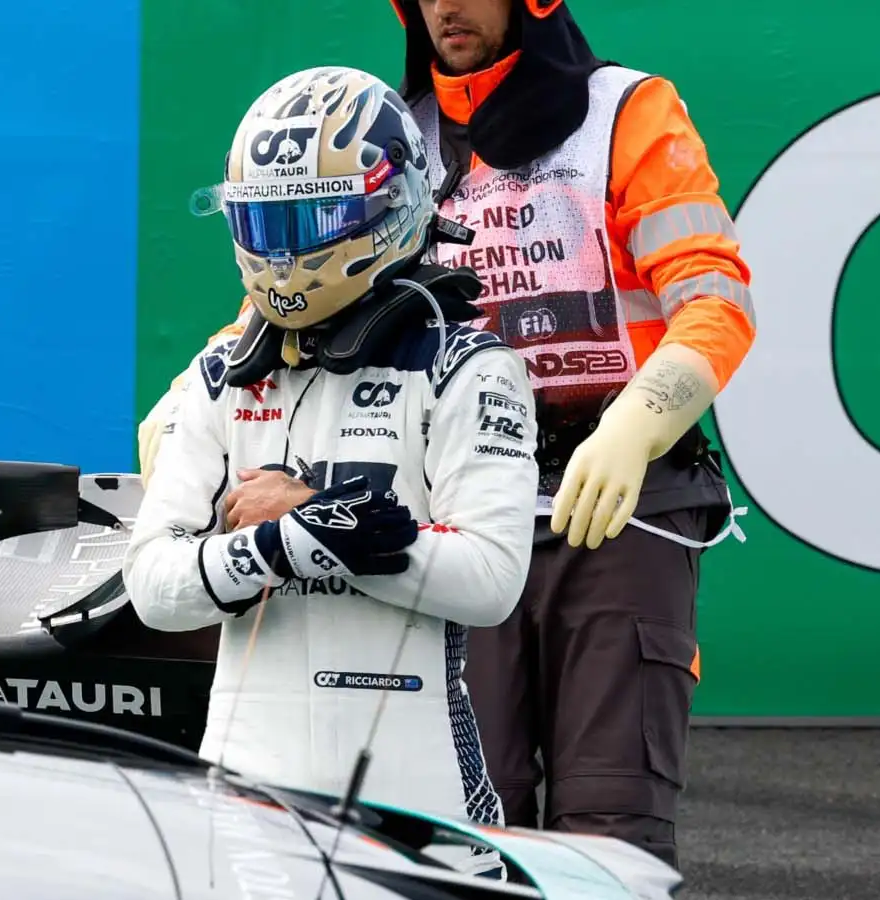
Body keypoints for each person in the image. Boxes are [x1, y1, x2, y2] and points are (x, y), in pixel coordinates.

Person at [141, 0, 758, 871]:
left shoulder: (628, 110)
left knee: (612, 821)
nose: (445, 6)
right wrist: (184, 401)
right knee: (470, 817)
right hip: (447, 492)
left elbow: (715, 298)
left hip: (622, 494)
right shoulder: (388, 131)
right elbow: (295, 289)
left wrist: (638, 423)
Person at [122, 64, 540, 874]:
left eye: (309, 219)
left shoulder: (470, 367)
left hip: (420, 816)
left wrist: (309, 513)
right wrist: (295, 543)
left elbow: (490, 580)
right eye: (263, 225)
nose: (282, 255)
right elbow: (153, 586)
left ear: (388, 208)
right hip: (241, 812)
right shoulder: (221, 374)